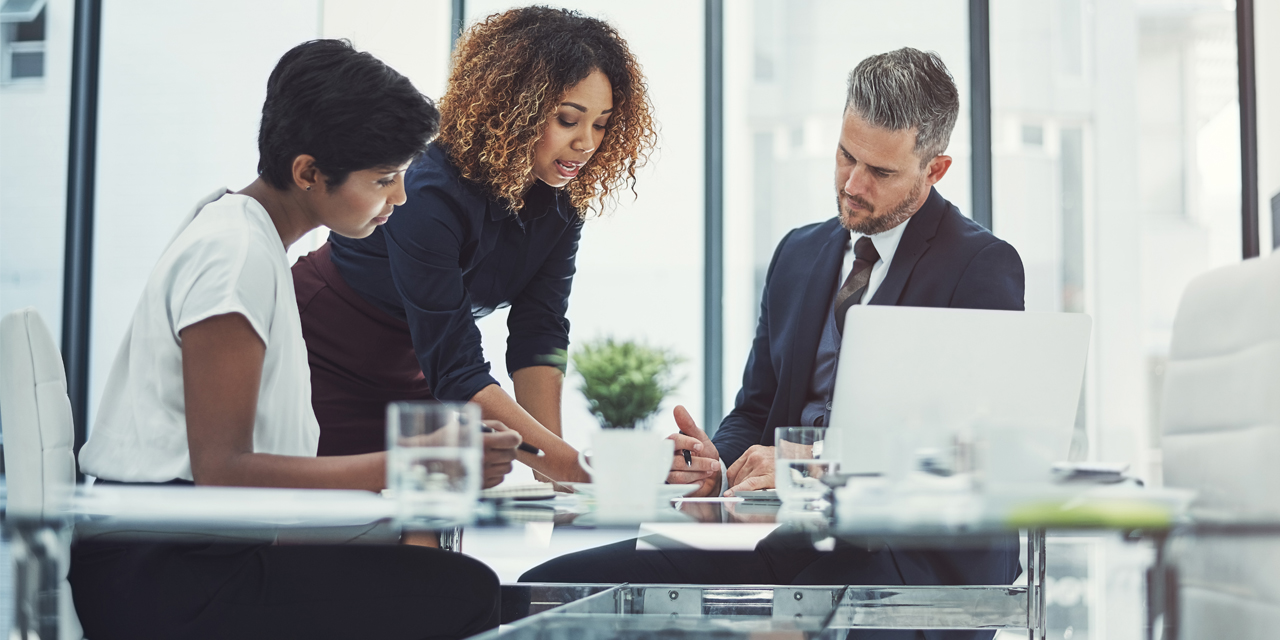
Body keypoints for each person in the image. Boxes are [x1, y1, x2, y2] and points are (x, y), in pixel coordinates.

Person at [522, 48, 1023, 640]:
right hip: (796, 543)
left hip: (913, 563)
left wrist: (812, 465)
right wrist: (717, 464)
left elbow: (976, 451)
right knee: (544, 595)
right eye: (845, 156)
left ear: (934, 170)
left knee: (746, 628)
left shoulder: (981, 265)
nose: (853, 184)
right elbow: (758, 409)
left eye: (881, 173)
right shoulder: (798, 254)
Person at [71, 40, 519, 640]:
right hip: (167, 576)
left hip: (190, 553)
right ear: (308, 172)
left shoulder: (242, 234)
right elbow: (223, 469)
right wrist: (415, 463)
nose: (400, 199)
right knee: (462, 592)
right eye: (384, 178)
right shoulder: (235, 256)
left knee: (435, 572)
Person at [292, 6, 657, 483]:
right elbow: (458, 370)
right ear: (514, 108)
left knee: (428, 540)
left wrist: (559, 479)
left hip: (427, 374)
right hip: (328, 355)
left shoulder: (562, 200)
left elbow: (539, 333)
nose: (587, 143)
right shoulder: (427, 190)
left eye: (602, 123)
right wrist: (578, 470)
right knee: (337, 536)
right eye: (568, 119)